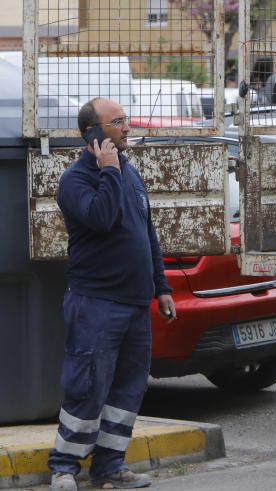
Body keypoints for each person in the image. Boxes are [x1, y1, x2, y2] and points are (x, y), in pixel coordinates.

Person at [48, 99, 175, 491]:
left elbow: (146, 235)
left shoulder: (128, 173)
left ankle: (109, 467)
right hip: (97, 302)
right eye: (116, 122)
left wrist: (163, 288)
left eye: (124, 119)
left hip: (136, 303)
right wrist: (109, 170)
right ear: (93, 133)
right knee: (88, 385)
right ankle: (65, 466)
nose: (126, 126)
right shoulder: (76, 181)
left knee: (126, 390)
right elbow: (102, 217)